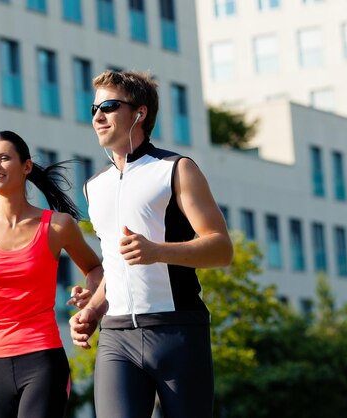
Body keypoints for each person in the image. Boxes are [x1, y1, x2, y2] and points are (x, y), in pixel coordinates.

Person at [69, 70, 234, 418]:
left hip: (178, 331)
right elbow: (116, 266)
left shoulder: (176, 169)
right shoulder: (94, 187)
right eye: (94, 108)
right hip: (117, 338)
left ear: (139, 113)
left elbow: (221, 249)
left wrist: (158, 251)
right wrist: (93, 310)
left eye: (110, 106)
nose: (98, 117)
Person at [0, 130, 103, 418]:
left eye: (3, 158)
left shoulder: (57, 225)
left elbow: (95, 268)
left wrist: (91, 297)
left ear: (26, 167)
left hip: (42, 357)